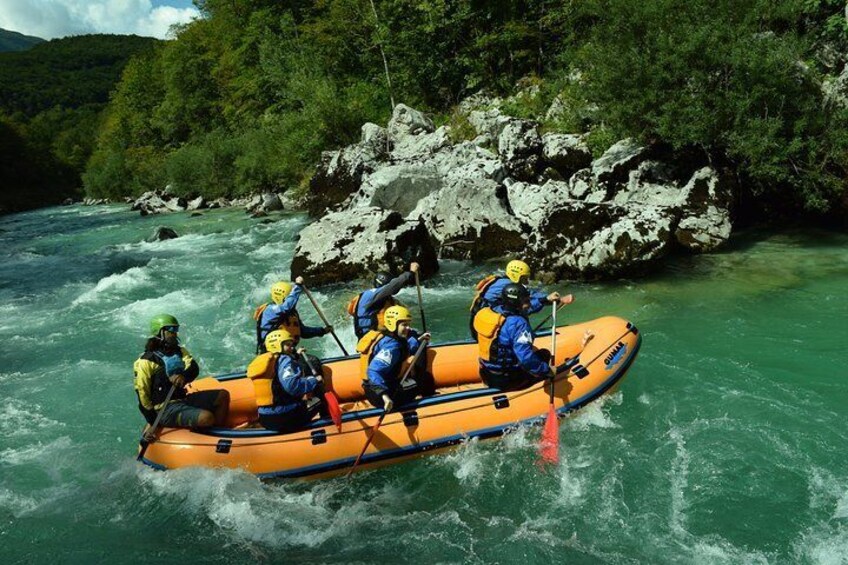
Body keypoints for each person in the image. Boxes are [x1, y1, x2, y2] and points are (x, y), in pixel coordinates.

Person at [134, 314, 229, 437]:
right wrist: (152, 421)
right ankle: (205, 435)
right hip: (164, 409)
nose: (175, 333)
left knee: (223, 395)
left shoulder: (180, 351)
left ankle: (218, 433)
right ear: (160, 332)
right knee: (207, 417)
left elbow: (193, 368)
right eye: (171, 330)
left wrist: (183, 376)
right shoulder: (145, 361)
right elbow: (142, 394)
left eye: (176, 330)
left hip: (183, 399)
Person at [474, 284, 556, 392]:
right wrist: (547, 370)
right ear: (516, 303)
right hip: (507, 379)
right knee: (544, 354)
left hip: (486, 373)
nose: (529, 303)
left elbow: (527, 309)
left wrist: (545, 300)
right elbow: (525, 358)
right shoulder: (518, 323)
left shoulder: (492, 310)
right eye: (526, 301)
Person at [469, 259, 573, 339]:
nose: (527, 281)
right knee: (519, 309)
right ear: (516, 276)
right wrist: (553, 299)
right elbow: (527, 302)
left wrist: (546, 298)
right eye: (524, 278)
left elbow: (531, 294)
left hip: (478, 323)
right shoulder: (508, 287)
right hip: (487, 326)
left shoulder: (500, 281)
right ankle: (521, 338)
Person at [357, 306, 435, 412]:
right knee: (424, 379)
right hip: (381, 395)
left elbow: (404, 348)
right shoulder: (391, 347)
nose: (408, 328)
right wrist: (385, 397)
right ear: (393, 325)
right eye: (404, 325)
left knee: (422, 378)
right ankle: (432, 407)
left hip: (376, 389)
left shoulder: (390, 338)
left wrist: (419, 340)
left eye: (408, 325)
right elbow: (373, 371)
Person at [247, 329, 326, 432]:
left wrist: (296, 355)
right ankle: (328, 424)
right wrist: (314, 380)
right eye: (288, 345)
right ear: (277, 345)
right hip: (286, 418)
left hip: (265, 419)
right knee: (319, 399)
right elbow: (292, 386)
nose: (292, 347)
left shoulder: (264, 361)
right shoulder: (285, 360)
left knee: (300, 399)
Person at [347, 262, 419, 339]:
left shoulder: (389, 300)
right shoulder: (369, 296)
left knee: (414, 335)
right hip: (372, 340)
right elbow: (393, 286)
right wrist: (411, 273)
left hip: (385, 337)